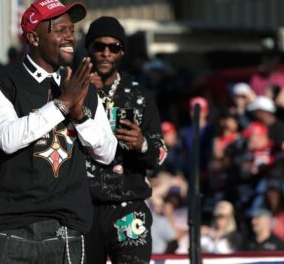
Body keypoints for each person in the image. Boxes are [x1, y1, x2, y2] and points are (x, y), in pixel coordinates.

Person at [0, 1, 117, 263]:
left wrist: (79, 115)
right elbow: (7, 138)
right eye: (60, 30)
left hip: (66, 231)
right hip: (11, 230)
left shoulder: (84, 89)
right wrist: (62, 105)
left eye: (71, 30)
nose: (70, 36)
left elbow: (107, 153)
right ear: (33, 37)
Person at [83, 16, 167, 264]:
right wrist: (82, 95)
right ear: (88, 49)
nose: (106, 54)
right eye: (99, 46)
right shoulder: (69, 89)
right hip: (83, 208)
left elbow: (160, 153)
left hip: (128, 206)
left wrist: (142, 143)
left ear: (123, 52)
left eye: (114, 47)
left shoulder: (139, 95)